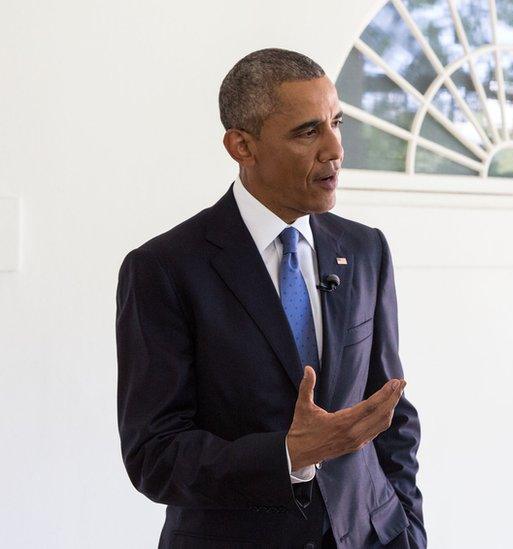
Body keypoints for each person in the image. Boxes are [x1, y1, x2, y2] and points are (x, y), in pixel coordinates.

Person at [116, 48, 425, 548]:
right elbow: (155, 455)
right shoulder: (164, 269)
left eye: (337, 123)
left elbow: (392, 412)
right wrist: (289, 455)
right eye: (308, 132)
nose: (335, 150)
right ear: (242, 145)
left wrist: (409, 530)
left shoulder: (367, 249)